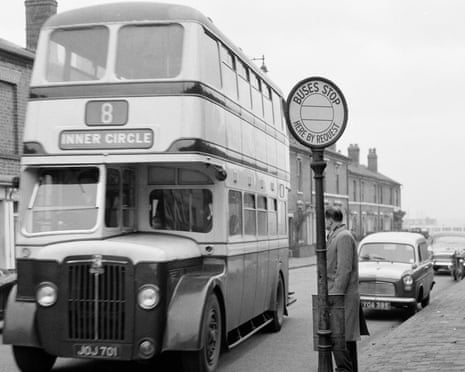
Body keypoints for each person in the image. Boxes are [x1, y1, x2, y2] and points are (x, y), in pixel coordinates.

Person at [325, 206, 367, 372]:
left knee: (339, 341)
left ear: (330, 219)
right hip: (341, 298)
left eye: (326, 222)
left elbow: (343, 270)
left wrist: (334, 296)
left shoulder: (342, 237)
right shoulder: (338, 235)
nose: (326, 225)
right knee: (345, 342)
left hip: (342, 299)